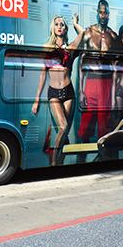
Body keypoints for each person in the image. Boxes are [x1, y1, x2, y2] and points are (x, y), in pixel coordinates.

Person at [32, 15, 84, 165]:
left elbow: (82, 34)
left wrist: (75, 23)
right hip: (53, 92)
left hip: (69, 93)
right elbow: (43, 74)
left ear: (65, 28)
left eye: (62, 24)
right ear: (53, 28)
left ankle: (59, 163)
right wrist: (36, 100)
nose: (59, 26)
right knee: (63, 127)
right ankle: (54, 165)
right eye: (56, 24)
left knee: (65, 133)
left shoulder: (71, 47)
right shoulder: (47, 48)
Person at [78, 0, 120, 146]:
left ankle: (103, 159)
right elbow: (81, 61)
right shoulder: (88, 33)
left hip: (106, 83)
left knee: (104, 124)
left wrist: (114, 96)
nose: (103, 15)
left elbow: (116, 67)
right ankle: (81, 162)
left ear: (109, 15)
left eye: (106, 13)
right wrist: (81, 90)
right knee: (85, 125)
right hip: (91, 81)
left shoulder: (113, 37)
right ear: (97, 13)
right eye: (101, 12)